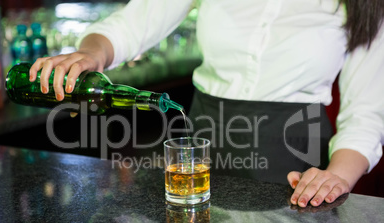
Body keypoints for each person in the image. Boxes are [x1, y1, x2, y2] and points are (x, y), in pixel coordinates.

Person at [29, 0, 384, 207]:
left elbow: (366, 114)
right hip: (200, 152)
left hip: (293, 168)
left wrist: (333, 179)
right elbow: (133, 23)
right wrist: (90, 55)